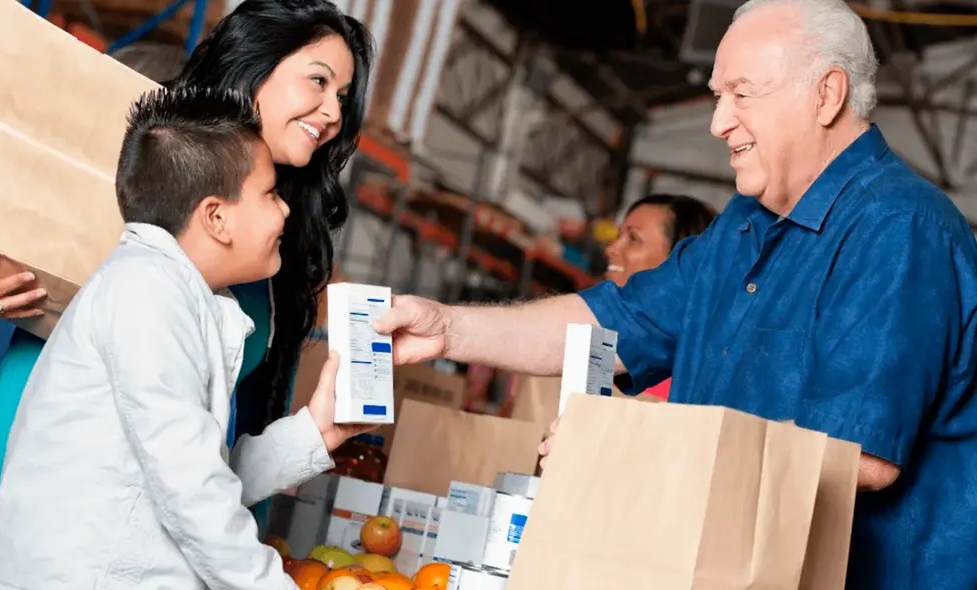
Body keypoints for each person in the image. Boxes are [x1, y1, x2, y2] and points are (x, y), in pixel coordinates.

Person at [374, 0, 977, 587]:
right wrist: (450, 328)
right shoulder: (743, 224)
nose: (718, 123)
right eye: (717, 96)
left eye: (742, 94)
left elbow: (858, 456)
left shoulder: (898, 228)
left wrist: (637, 445)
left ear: (827, 94)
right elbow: (611, 320)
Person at [0, 0, 374, 581]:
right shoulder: (149, 194)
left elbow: (198, 461)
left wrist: (313, 434)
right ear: (255, 65)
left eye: (343, 95)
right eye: (319, 80)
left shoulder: (263, 252)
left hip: (133, 540)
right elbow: (189, 481)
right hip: (43, 524)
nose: (334, 111)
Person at [605, 194, 716, 399]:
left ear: (680, 263)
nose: (611, 248)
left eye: (633, 239)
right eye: (619, 235)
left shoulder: (681, 376)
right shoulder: (604, 332)